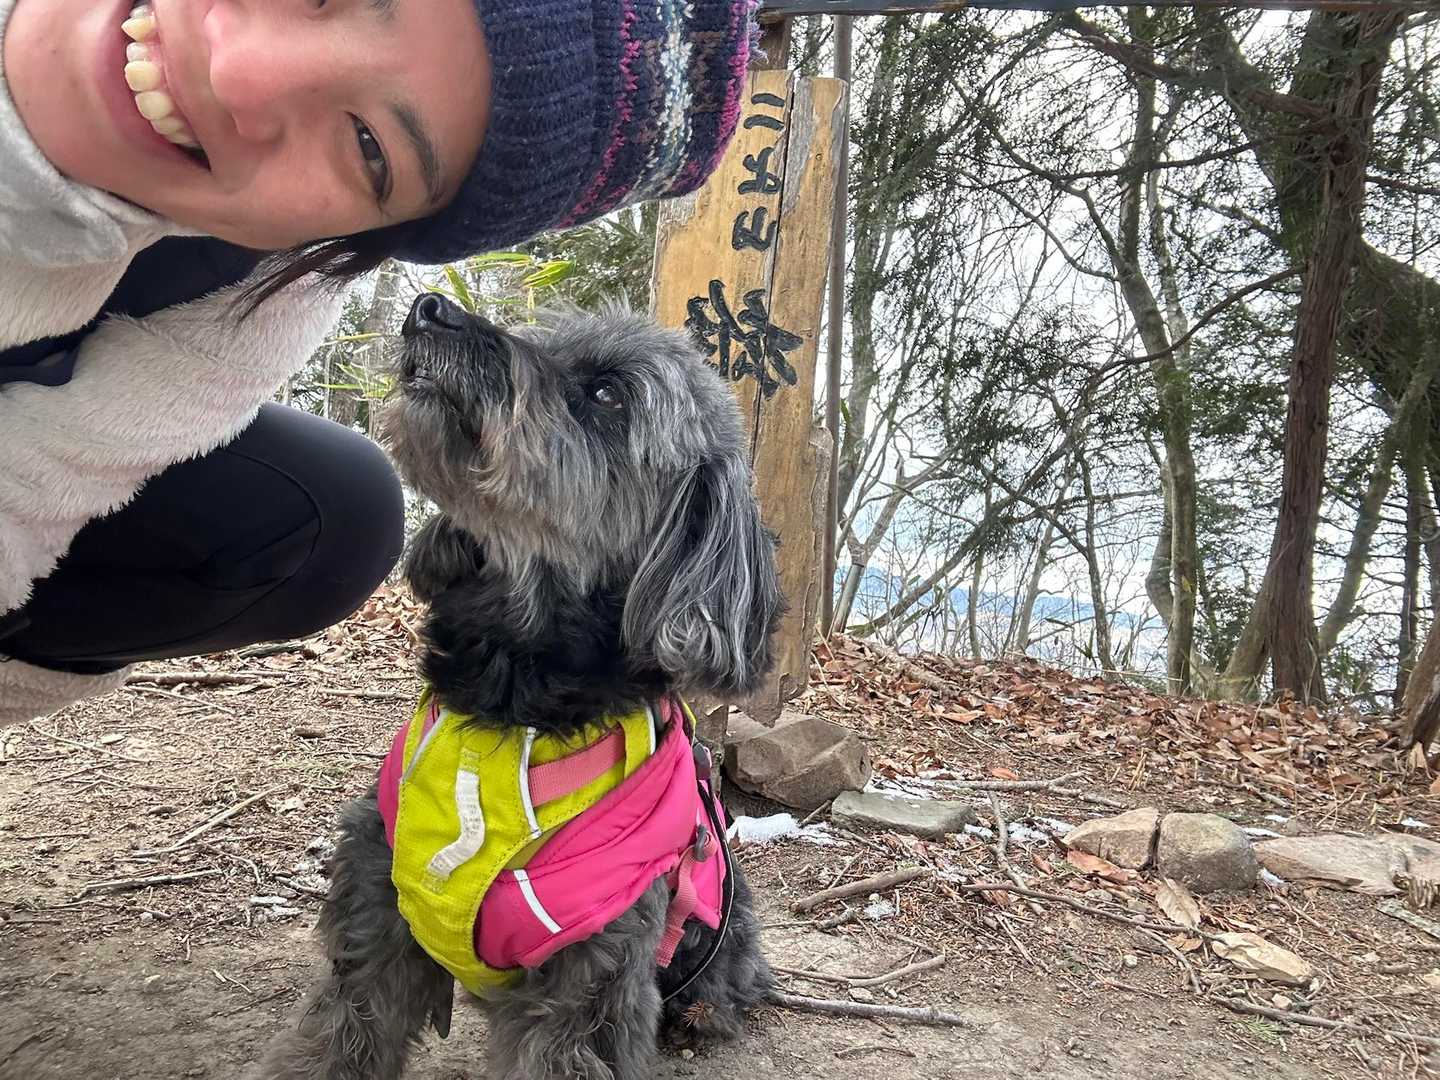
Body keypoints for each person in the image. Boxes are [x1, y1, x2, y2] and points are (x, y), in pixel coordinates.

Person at [0, 0, 758, 725]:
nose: (240, 72)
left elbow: (30, 488)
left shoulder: (257, 293)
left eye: (371, 148)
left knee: (344, 509)